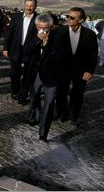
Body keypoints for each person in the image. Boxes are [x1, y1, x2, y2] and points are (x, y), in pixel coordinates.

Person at [25, 14, 64, 142]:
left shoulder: (58, 38)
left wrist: (47, 44)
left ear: (51, 27)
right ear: (36, 26)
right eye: (40, 27)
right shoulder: (32, 35)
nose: (43, 30)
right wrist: (37, 40)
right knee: (34, 98)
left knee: (49, 104)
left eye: (46, 28)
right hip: (35, 74)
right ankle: (34, 115)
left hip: (52, 76)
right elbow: (27, 51)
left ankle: (43, 133)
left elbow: (59, 56)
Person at [56, 7, 98, 125]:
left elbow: (93, 54)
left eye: (72, 18)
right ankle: (61, 113)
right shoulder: (60, 31)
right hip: (63, 68)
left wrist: (89, 71)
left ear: (81, 20)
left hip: (81, 69)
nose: (68, 19)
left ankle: (74, 115)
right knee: (61, 92)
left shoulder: (90, 34)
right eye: (67, 16)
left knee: (77, 93)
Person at [3, 0, 38, 104]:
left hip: (31, 51)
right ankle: (15, 91)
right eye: (27, 5)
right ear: (24, 6)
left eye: (31, 6)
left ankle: (22, 96)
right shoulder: (16, 16)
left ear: (35, 6)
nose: (29, 8)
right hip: (15, 49)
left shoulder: (39, 19)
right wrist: (5, 48)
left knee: (28, 74)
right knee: (14, 73)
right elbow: (9, 33)